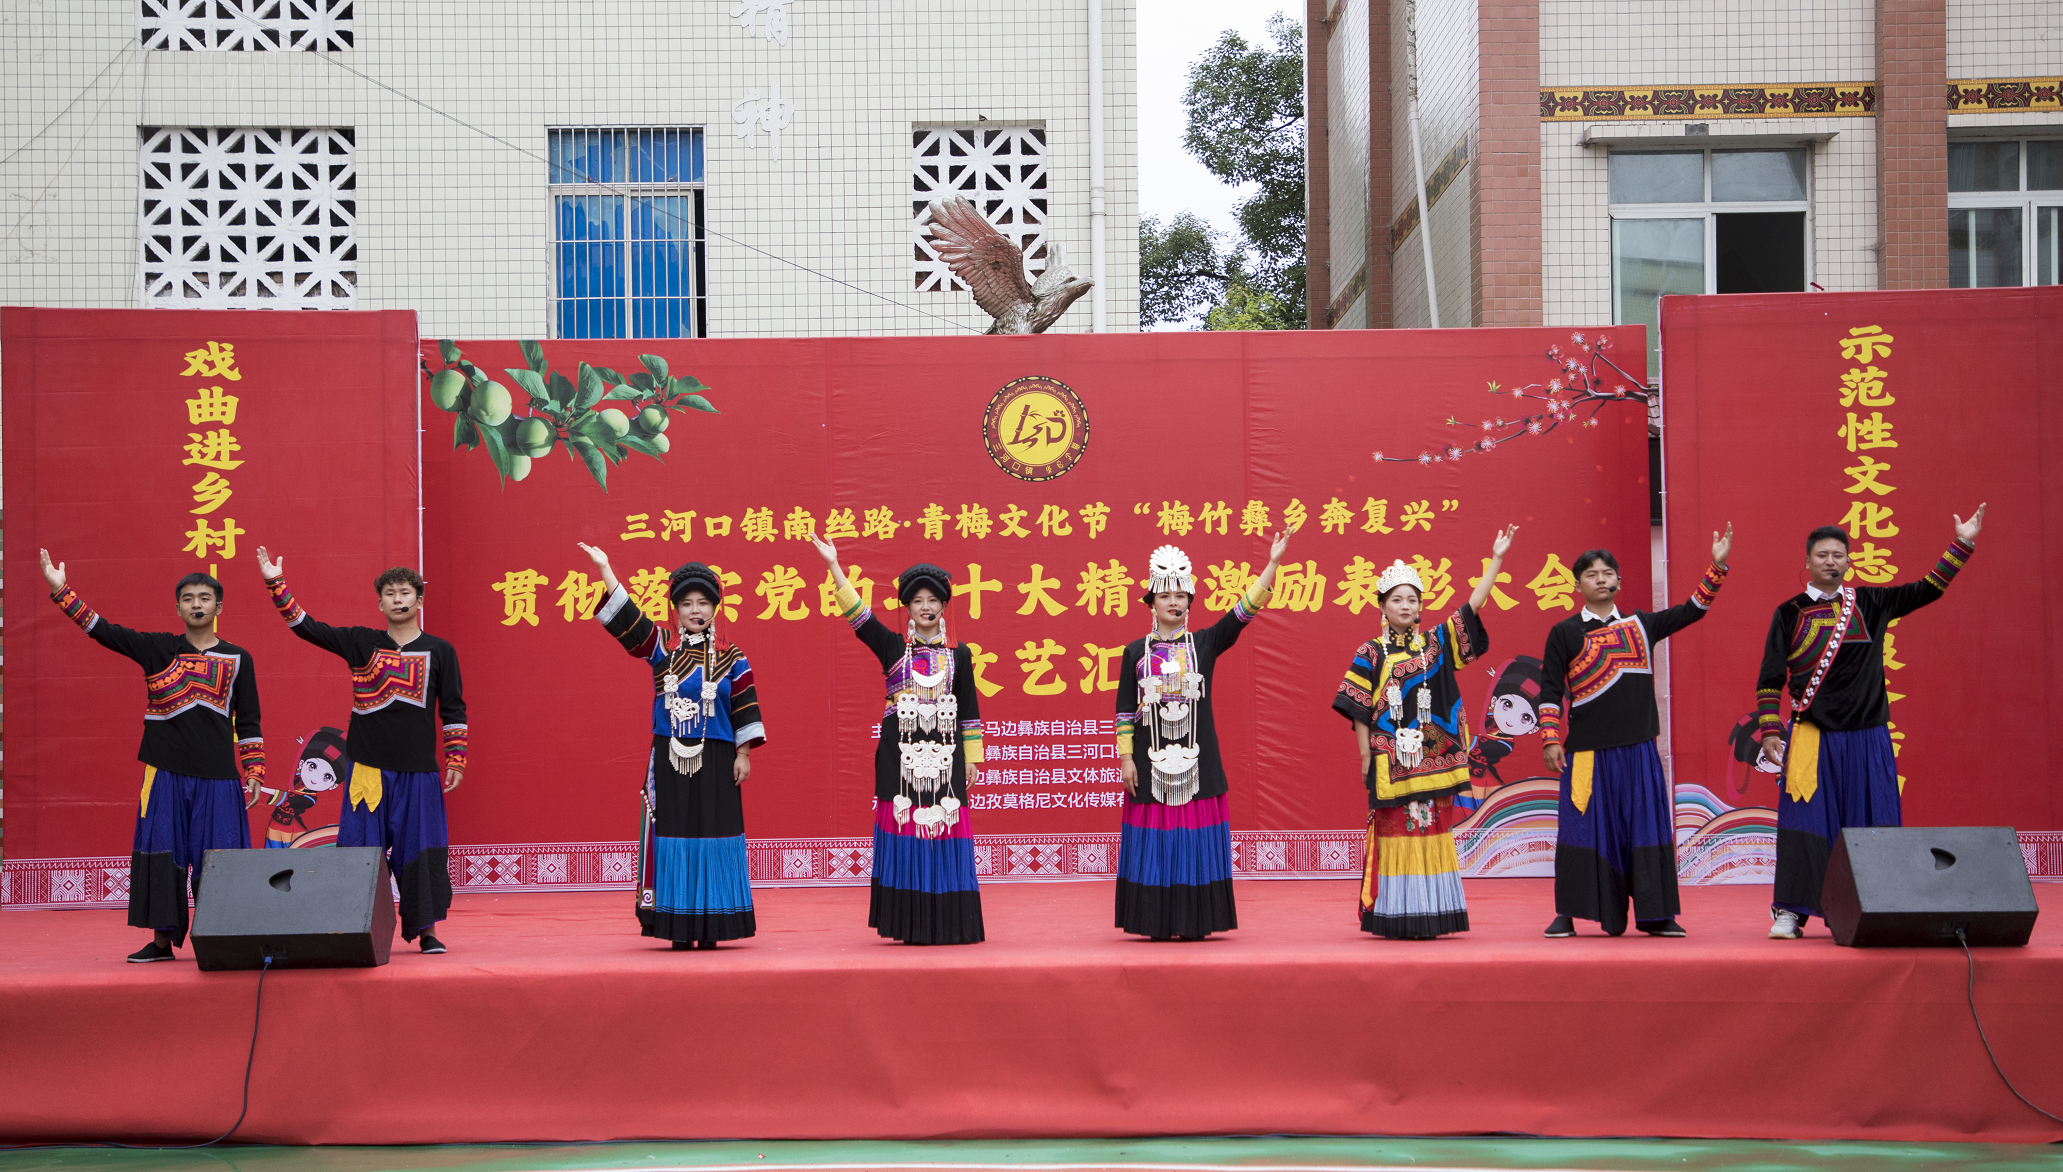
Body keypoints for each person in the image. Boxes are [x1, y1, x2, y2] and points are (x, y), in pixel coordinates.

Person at [1754, 507, 1982, 939]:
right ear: (1807, 561)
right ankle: (1791, 913)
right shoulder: (1788, 613)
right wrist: (1769, 730)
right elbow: (1770, 677)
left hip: (1868, 737)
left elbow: (1928, 588)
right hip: (1812, 739)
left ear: (1849, 561)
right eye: (1822, 554)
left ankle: (1883, 906)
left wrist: (1963, 544)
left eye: (1838, 555)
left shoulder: (1871, 603)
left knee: (1872, 822)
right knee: (1805, 825)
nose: (1831, 561)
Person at [39, 551, 264, 963]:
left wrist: (254, 769)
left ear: (218, 607)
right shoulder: (157, 649)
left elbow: (248, 720)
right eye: (188, 598)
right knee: (164, 855)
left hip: (219, 777)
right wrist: (61, 591)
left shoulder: (239, 659)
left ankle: (226, 940)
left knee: (222, 860)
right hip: (165, 774)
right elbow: (102, 630)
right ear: (177, 608)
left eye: (205, 598)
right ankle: (161, 943)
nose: (196, 604)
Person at [255, 546, 466, 953]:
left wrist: (456, 756)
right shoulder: (360, 642)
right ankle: (355, 930)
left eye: (406, 593)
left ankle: (426, 931)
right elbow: (305, 627)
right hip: (367, 771)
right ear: (380, 603)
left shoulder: (441, 651)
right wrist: (275, 583)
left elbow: (454, 708)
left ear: (419, 600)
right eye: (390, 594)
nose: (398, 600)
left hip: (419, 773)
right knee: (360, 855)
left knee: (420, 851)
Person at [1539, 523, 1733, 939]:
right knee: (1581, 829)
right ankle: (1568, 913)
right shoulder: (1564, 633)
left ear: (1619, 582)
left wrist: (1716, 566)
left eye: (1608, 573)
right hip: (1588, 753)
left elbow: (1693, 610)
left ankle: (1657, 915)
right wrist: (1550, 738)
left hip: (1639, 750)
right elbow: (1550, 692)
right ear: (1577, 585)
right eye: (1591, 574)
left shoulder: (1641, 625)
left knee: (1647, 829)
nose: (1601, 580)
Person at [1333, 526, 1516, 939]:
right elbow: (1358, 709)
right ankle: (1396, 914)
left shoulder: (1435, 644)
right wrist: (1364, 755)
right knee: (1398, 831)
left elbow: (1473, 605)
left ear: (1420, 607)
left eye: (1412, 599)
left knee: (1432, 829)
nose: (1405, 605)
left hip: (1436, 762)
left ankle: (1432, 913)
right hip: (1391, 762)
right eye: (1397, 599)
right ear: (1382, 605)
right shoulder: (1370, 652)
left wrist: (1497, 559)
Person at [579, 545, 765, 949]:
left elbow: (745, 705)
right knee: (674, 832)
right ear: (676, 610)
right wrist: (606, 569)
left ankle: (714, 925)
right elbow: (630, 619)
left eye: (703, 603)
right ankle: (677, 925)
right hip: (669, 757)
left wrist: (744, 754)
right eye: (687, 604)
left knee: (715, 833)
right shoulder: (662, 647)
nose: (696, 611)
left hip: (718, 758)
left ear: (715, 608)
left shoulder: (732, 657)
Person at [1114, 531, 1290, 940]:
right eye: (1164, 595)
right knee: (1156, 843)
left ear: (1190, 601)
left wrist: (1273, 564)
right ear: (1152, 602)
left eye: (1180, 595)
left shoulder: (1205, 643)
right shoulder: (1135, 652)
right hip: (1150, 763)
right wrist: (1126, 759)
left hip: (1198, 761)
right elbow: (1123, 712)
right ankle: (1155, 921)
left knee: (1193, 842)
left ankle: (1196, 920)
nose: (1173, 602)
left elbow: (1244, 612)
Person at [811, 535, 985, 945]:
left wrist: (972, 758)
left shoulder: (959, 655)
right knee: (905, 830)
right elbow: (858, 616)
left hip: (946, 758)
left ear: (944, 606)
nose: (925, 607)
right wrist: (834, 566)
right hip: (898, 758)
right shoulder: (892, 647)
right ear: (907, 607)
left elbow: (969, 708)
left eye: (933, 600)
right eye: (917, 600)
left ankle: (948, 921)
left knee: (944, 828)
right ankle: (907, 921)